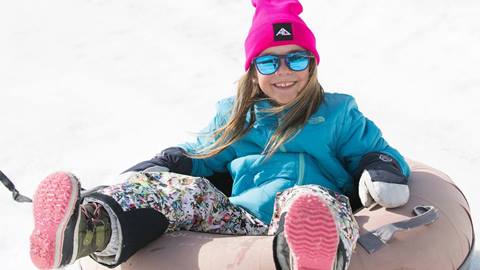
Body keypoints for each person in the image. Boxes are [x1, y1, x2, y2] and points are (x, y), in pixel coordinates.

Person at [29, 0, 411, 269]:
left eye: (297, 58)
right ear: (253, 68)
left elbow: (374, 151)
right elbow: (200, 155)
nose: (284, 71)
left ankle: (310, 251)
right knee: (187, 192)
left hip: (303, 212)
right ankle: (87, 230)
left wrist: (382, 170)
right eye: (269, 60)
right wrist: (156, 168)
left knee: (310, 199)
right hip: (239, 219)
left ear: (312, 65)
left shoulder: (336, 113)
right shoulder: (235, 114)